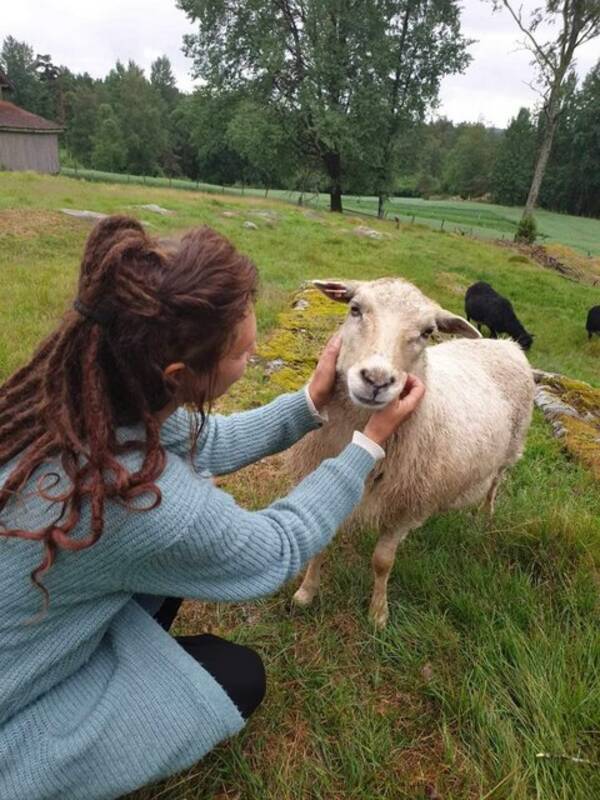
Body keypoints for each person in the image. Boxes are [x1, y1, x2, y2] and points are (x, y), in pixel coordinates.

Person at [0, 216, 425, 800]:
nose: (251, 360)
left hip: (21, 632)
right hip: (10, 726)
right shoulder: (146, 503)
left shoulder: (82, 401)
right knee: (238, 674)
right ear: (180, 377)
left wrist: (309, 401)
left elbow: (209, 443)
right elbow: (275, 549)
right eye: (244, 354)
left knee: (164, 582)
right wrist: (368, 444)